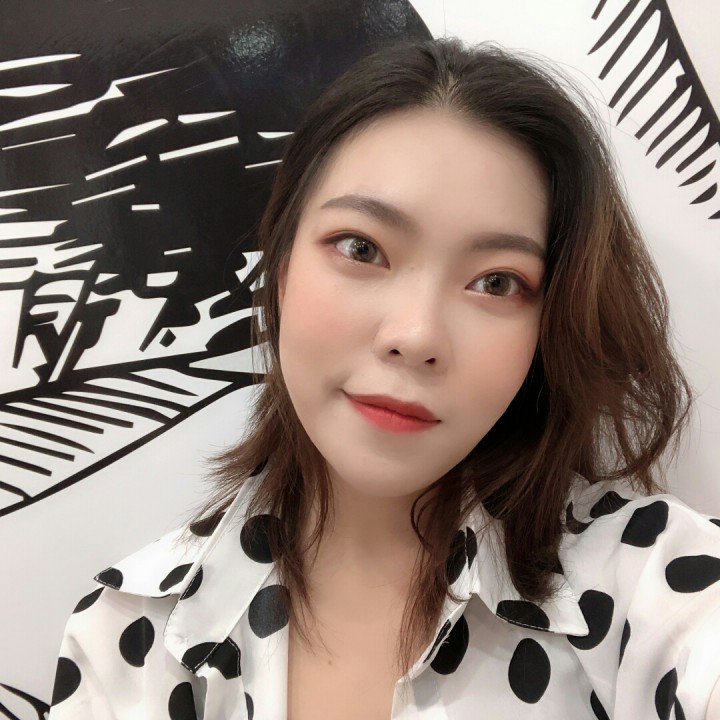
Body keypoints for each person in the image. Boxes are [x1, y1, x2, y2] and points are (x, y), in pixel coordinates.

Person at [48, 37, 720, 720]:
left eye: (497, 282)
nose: (416, 336)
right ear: (280, 263)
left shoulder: (658, 583)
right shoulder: (127, 634)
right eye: (362, 248)